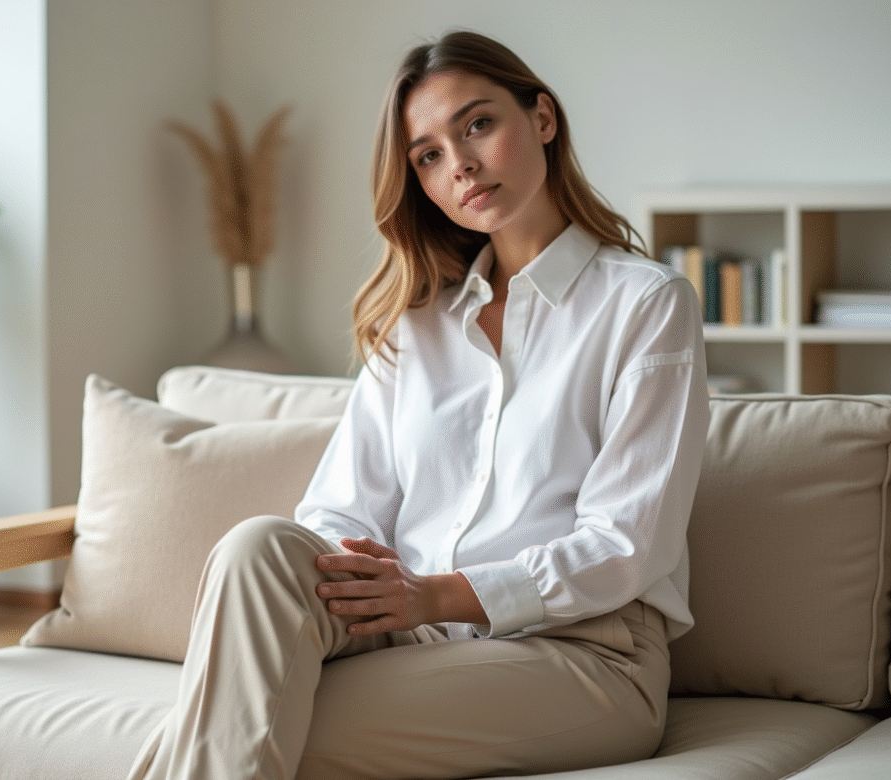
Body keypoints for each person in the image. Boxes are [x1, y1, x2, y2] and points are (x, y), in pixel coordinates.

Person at [127, 29, 709, 780]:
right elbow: (340, 510)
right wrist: (373, 582)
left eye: (478, 124)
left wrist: (435, 594)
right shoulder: (415, 322)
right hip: (414, 641)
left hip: (582, 656)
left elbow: (627, 544)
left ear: (541, 118)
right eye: (428, 155)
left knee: (245, 720)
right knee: (257, 549)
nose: (459, 163)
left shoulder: (647, 303)